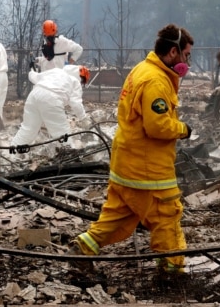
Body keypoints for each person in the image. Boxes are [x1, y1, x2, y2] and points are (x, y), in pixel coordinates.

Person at [67, 23, 193, 274]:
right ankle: (172, 272)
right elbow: (157, 126)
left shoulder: (141, 70)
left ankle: (83, 248)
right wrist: (183, 129)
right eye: (186, 55)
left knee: (119, 216)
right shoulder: (156, 81)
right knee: (166, 216)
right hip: (148, 170)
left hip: (126, 164)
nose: (187, 62)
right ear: (172, 52)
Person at [11, 65, 90, 146]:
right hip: (52, 99)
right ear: (81, 78)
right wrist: (83, 118)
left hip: (34, 96)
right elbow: (75, 103)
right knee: (62, 134)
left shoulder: (56, 71)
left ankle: (12, 153)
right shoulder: (75, 82)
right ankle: (68, 153)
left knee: (28, 129)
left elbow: (34, 77)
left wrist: (31, 71)